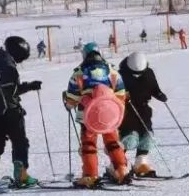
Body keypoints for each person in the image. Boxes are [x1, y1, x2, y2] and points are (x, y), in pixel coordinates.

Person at [63, 43, 129, 187]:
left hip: (87, 117)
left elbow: (72, 98)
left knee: (89, 144)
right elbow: (121, 93)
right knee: (112, 142)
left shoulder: (79, 73)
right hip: (109, 115)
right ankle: (121, 169)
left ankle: (90, 175)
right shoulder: (111, 71)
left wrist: (68, 102)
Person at [0, 36, 42, 190]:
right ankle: (21, 175)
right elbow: (11, 91)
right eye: (21, 57)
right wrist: (30, 86)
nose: (20, 61)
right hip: (10, 112)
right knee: (20, 142)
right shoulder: (7, 66)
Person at [119, 51, 168, 176]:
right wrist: (122, 96)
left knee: (147, 136)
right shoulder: (120, 75)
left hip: (144, 109)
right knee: (130, 137)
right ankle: (118, 163)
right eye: (134, 73)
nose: (137, 75)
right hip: (127, 111)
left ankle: (141, 162)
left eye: (140, 73)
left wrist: (159, 95)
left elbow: (154, 88)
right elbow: (113, 92)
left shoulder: (149, 73)